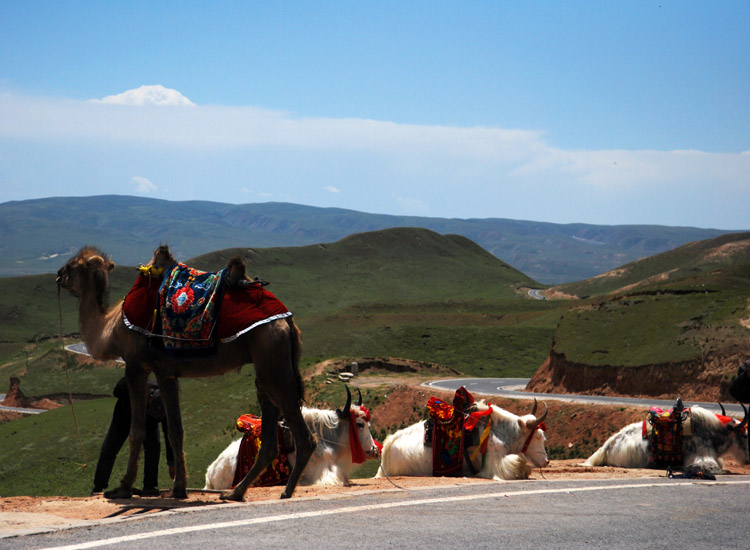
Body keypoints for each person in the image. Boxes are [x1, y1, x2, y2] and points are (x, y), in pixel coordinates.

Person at [91, 376, 174, 496]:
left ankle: (149, 487)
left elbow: (168, 433)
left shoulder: (165, 405)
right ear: (150, 398)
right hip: (125, 415)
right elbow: (116, 391)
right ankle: (98, 487)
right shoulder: (137, 385)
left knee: (154, 447)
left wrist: (171, 462)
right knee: (110, 448)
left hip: (148, 422)